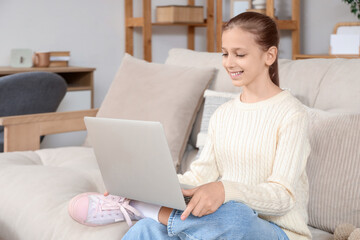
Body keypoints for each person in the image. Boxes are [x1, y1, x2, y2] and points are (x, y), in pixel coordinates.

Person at [68, 12, 312, 240]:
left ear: (269, 55)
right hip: (214, 226)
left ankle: (144, 210)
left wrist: (225, 191)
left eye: (240, 54)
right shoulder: (224, 113)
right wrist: (148, 187)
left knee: (236, 215)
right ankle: (144, 207)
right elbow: (199, 177)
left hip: (276, 231)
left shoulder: (292, 114)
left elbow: (284, 197)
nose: (229, 63)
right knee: (146, 229)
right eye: (225, 53)